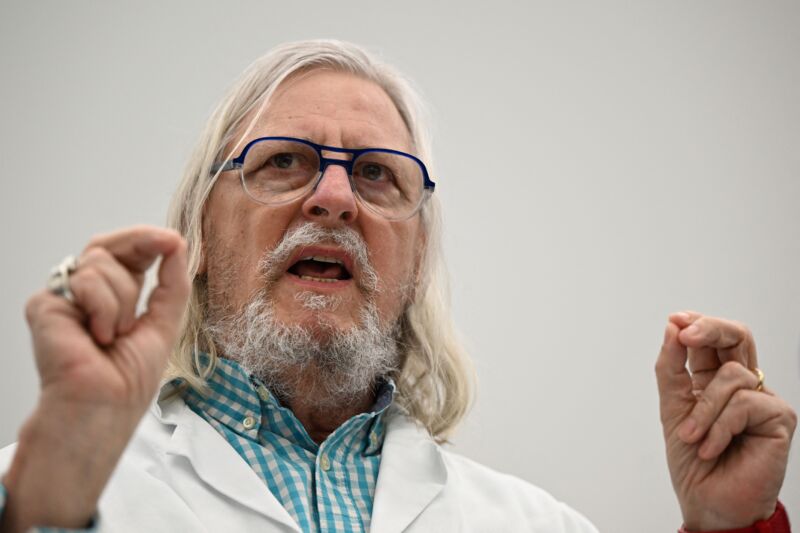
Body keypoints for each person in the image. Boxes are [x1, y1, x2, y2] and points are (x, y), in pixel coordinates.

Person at [0, 39, 795, 532]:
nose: (336, 198)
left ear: (414, 265)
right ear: (201, 236)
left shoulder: (533, 524)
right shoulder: (36, 490)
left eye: (378, 176)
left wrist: (734, 528)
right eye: (285, 161)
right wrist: (54, 489)